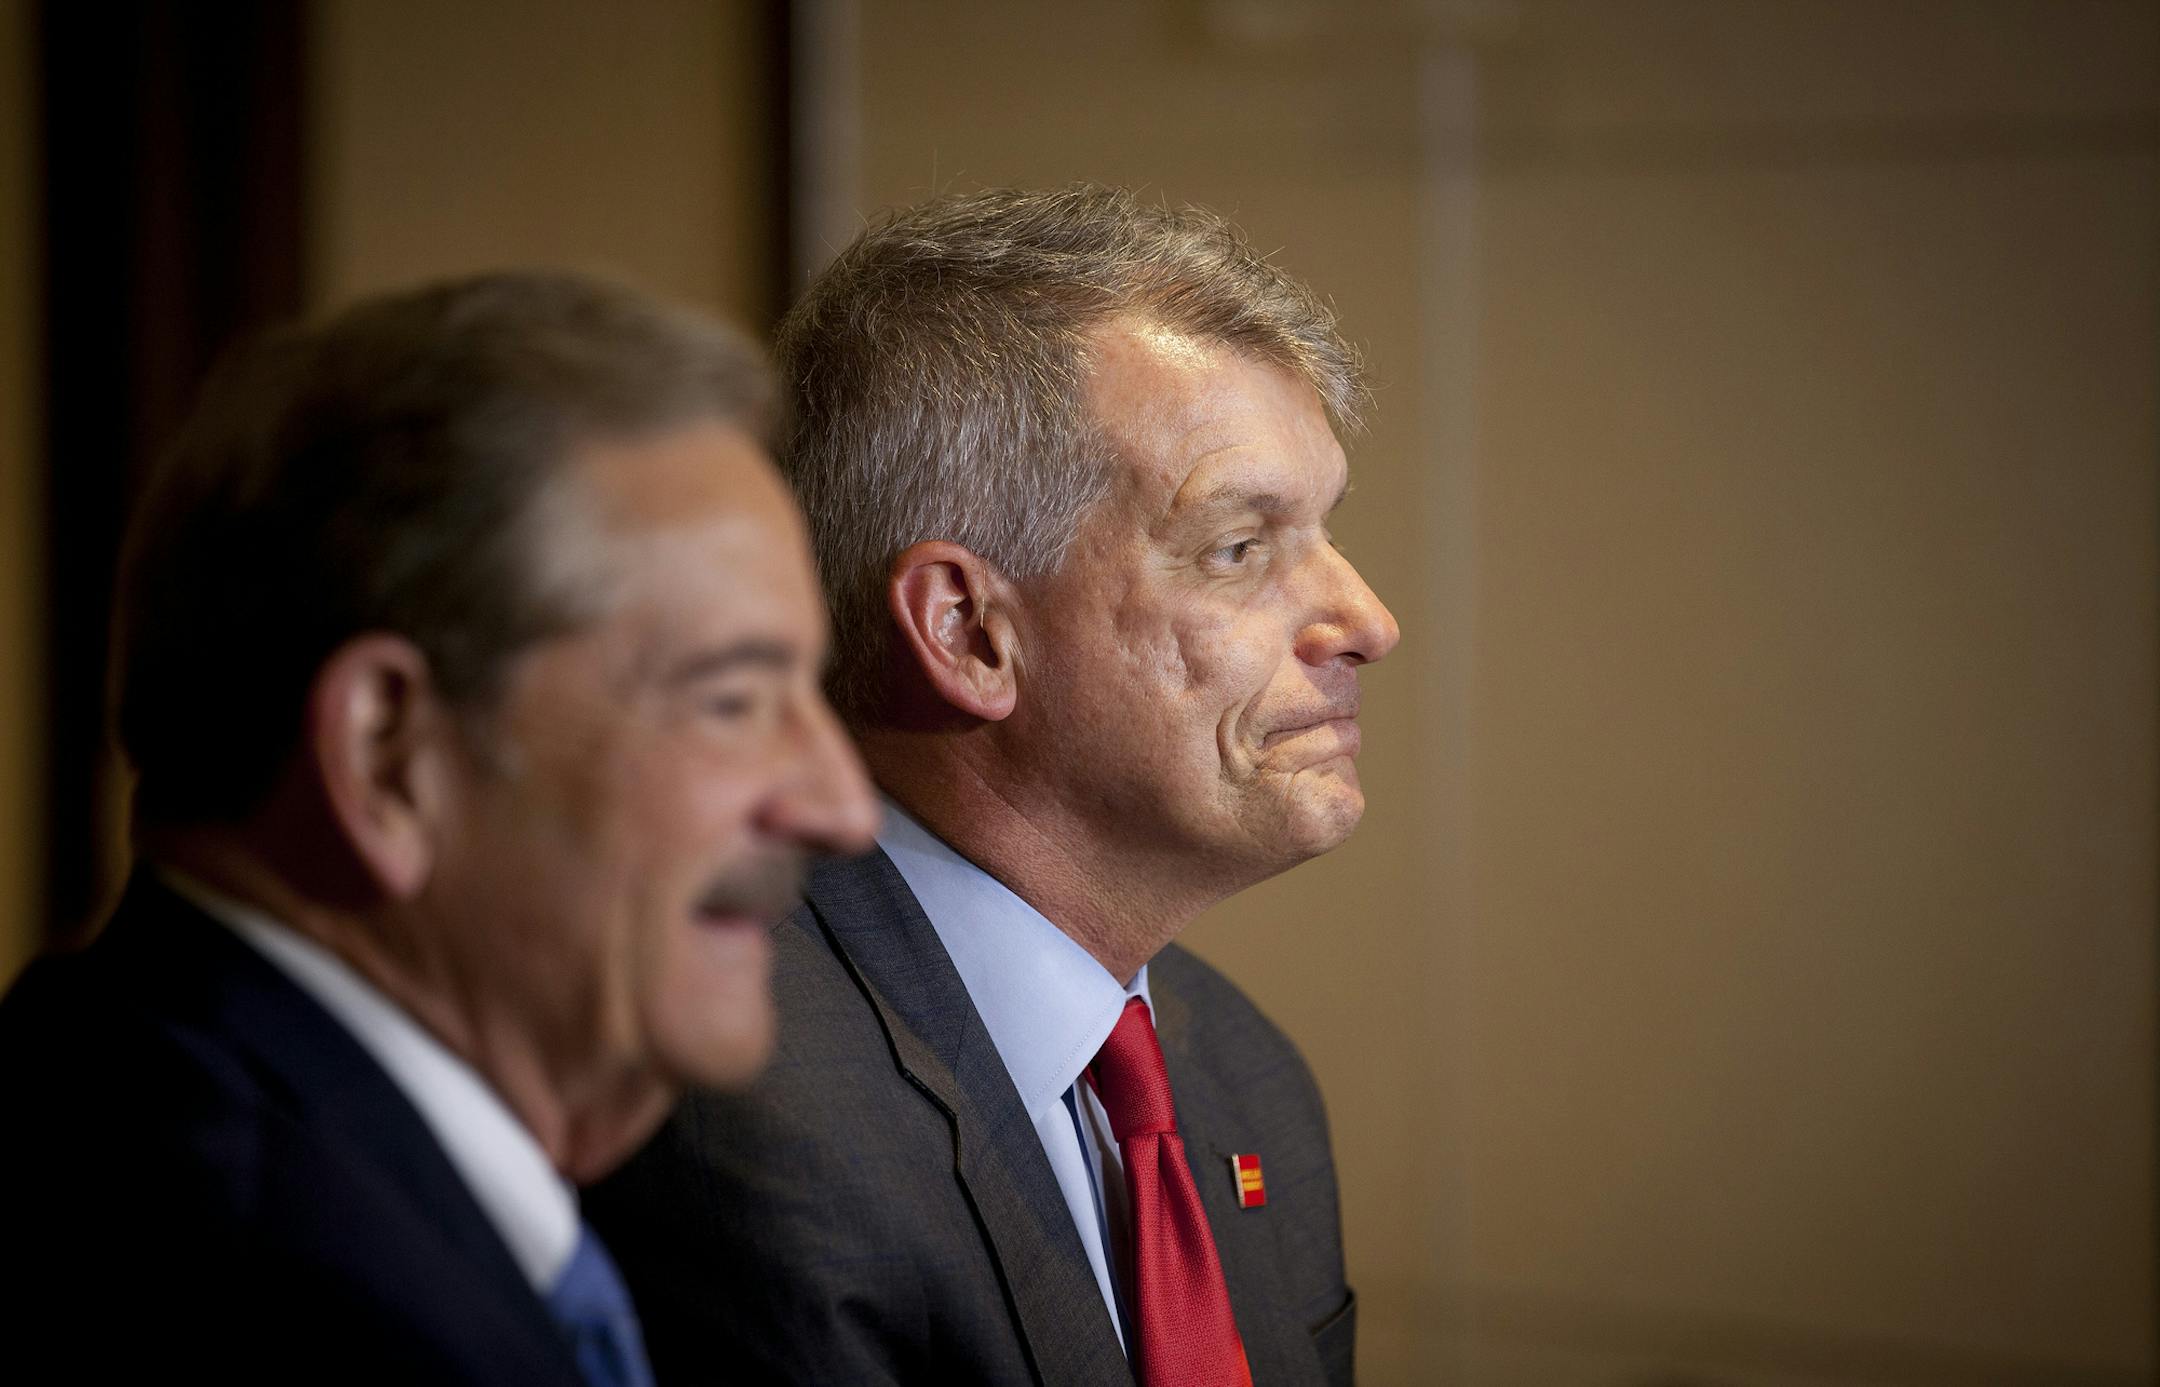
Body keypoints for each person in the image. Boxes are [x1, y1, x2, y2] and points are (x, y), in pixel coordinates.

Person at [0, 271, 879, 1384]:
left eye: (813, 694)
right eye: (733, 702)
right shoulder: (263, 1298)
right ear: (387, 757)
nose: (840, 806)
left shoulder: (189, 1122)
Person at [589, 185, 1400, 1387]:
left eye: (1328, 530)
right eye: (1241, 548)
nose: (1368, 621)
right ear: (969, 633)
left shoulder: (1246, 1076)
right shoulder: (734, 1119)